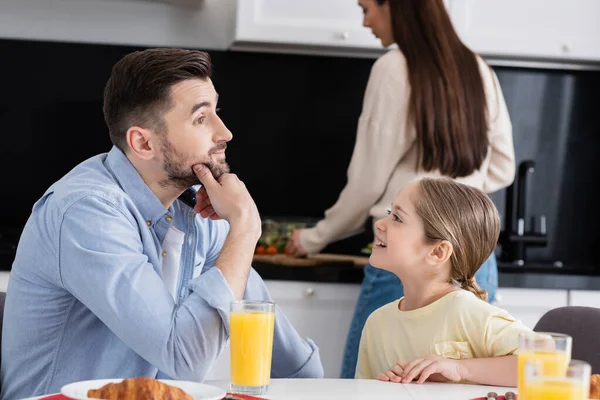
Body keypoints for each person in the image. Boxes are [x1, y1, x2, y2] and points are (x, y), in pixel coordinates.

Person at [0, 48, 323, 400]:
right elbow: (185, 358)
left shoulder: (199, 210)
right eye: (201, 119)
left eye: (218, 111)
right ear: (143, 143)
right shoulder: (87, 212)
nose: (225, 132)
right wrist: (245, 229)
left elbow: (293, 362)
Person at [285, 0, 515, 378]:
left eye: (366, 8)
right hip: (475, 252)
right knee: (472, 382)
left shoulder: (394, 67)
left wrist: (314, 237)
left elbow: (367, 180)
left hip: (410, 256)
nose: (364, 21)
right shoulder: (479, 68)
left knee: (369, 387)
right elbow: (502, 166)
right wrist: (452, 201)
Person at [356, 178, 530, 386]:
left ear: (438, 252)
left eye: (397, 218)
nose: (379, 224)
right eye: (388, 213)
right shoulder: (377, 323)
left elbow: (549, 366)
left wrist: (460, 368)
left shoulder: (467, 312)